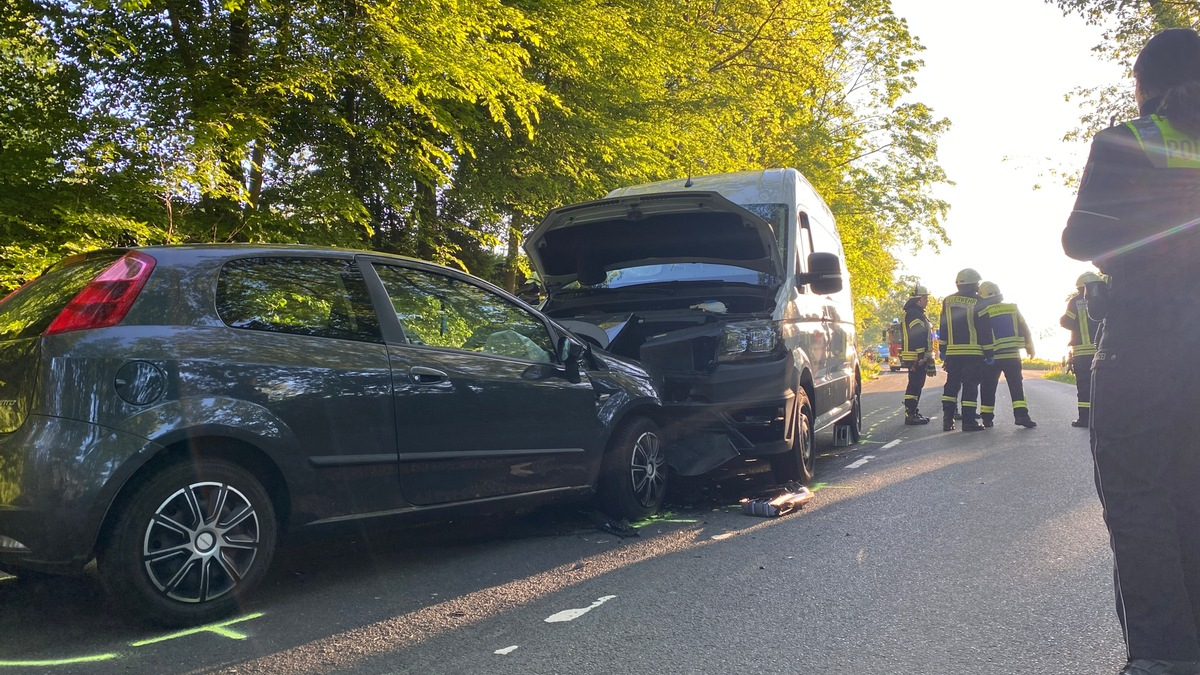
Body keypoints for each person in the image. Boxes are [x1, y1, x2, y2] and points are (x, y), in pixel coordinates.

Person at [1062, 28, 1200, 675]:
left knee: (1140, 496)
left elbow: (1081, 236)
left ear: (1147, 85)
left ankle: (1161, 657)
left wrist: (1147, 260)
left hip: (1147, 340)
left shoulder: (1131, 140)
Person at [938, 268, 993, 432]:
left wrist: (943, 348)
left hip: (953, 352)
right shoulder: (979, 302)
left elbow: (943, 326)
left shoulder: (947, 301)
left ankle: (948, 420)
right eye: (977, 283)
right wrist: (989, 352)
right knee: (970, 386)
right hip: (973, 352)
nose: (978, 286)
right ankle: (969, 422)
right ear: (973, 284)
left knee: (952, 384)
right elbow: (984, 330)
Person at [976, 281, 1037, 428]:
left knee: (988, 387)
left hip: (992, 357)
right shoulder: (1012, 308)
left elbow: (980, 333)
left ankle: (987, 418)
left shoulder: (983, 311)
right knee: (1016, 386)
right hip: (1012, 355)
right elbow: (1024, 328)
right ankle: (1022, 415)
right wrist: (1030, 347)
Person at [1060, 272, 1103, 428]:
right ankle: (1103, 418)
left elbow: (1068, 322)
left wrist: (1063, 320)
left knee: (1084, 386)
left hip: (1082, 353)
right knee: (1103, 385)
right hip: (1102, 351)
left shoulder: (1075, 301)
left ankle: (1084, 419)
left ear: (1080, 287)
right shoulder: (1104, 300)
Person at [900, 283, 933, 425]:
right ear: (918, 299)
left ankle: (913, 412)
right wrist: (920, 356)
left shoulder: (914, 313)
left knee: (916, 384)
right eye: (925, 298)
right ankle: (911, 414)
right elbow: (918, 335)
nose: (927, 301)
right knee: (915, 384)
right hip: (915, 356)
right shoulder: (915, 314)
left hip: (914, 355)